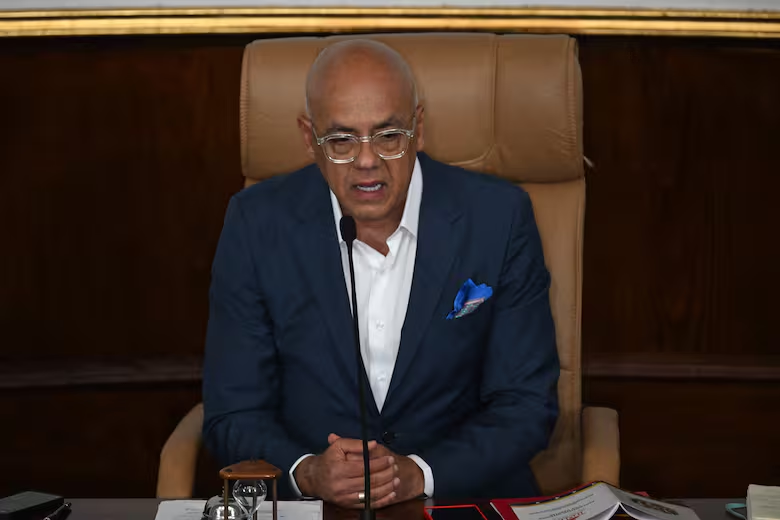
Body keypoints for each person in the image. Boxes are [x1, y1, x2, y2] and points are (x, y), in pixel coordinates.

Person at [202, 39, 559, 509]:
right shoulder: (256, 224)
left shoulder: (498, 218)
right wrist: (306, 472)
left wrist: (421, 474)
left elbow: (527, 404)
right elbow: (233, 412)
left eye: (389, 136)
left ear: (419, 129)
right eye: (342, 141)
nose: (367, 161)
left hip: (459, 501)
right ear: (309, 138)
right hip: (316, 511)